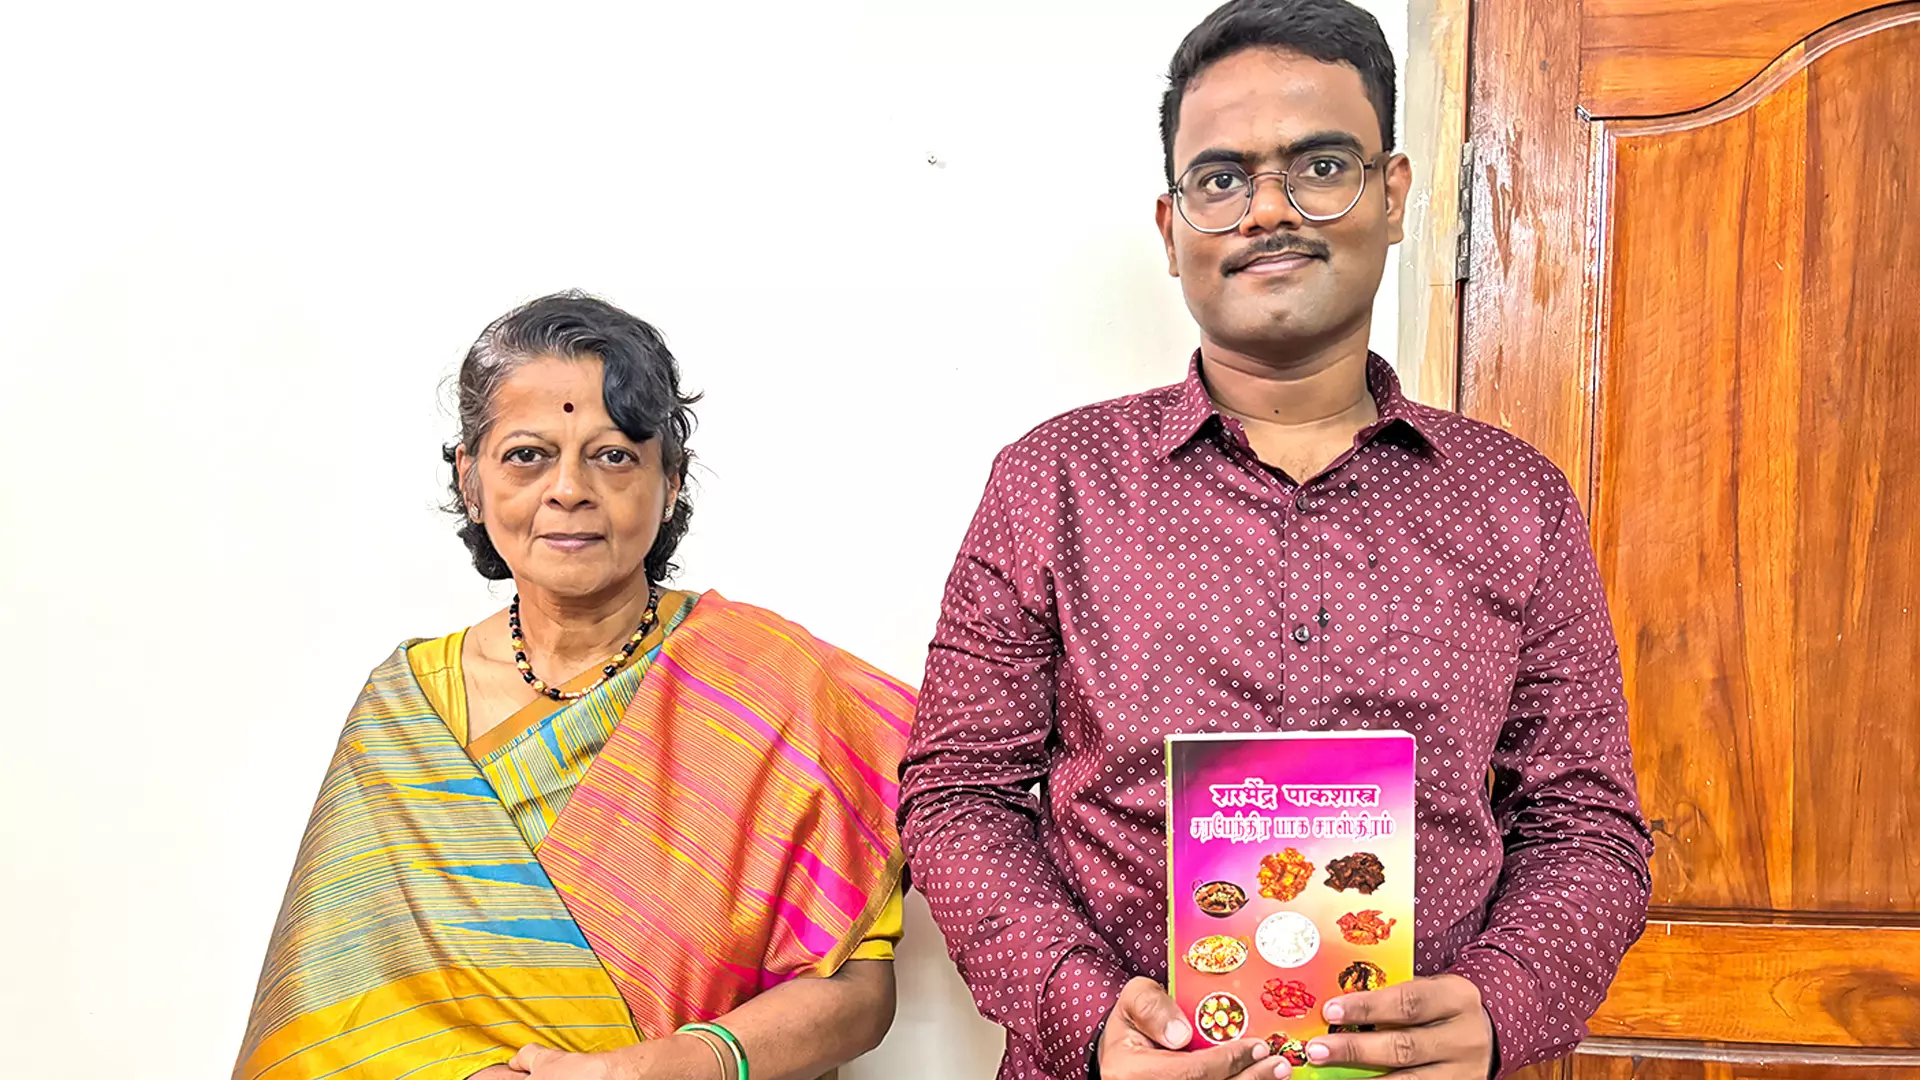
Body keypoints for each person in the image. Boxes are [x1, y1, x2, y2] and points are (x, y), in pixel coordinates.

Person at [898, 2, 1654, 1079]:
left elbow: (1589, 824)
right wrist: (1090, 1015)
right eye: (1221, 179)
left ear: (1393, 197)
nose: (1268, 211)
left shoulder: (1514, 498)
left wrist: (1501, 1008)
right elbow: (957, 794)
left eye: (1321, 165)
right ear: (1172, 229)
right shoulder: (1051, 481)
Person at [235, 292, 913, 1080]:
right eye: (527, 454)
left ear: (671, 481)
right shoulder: (406, 709)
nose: (569, 490)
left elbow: (858, 991)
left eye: (614, 454)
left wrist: (664, 1067)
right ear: (470, 478)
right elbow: (332, 1016)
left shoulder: (781, 690)